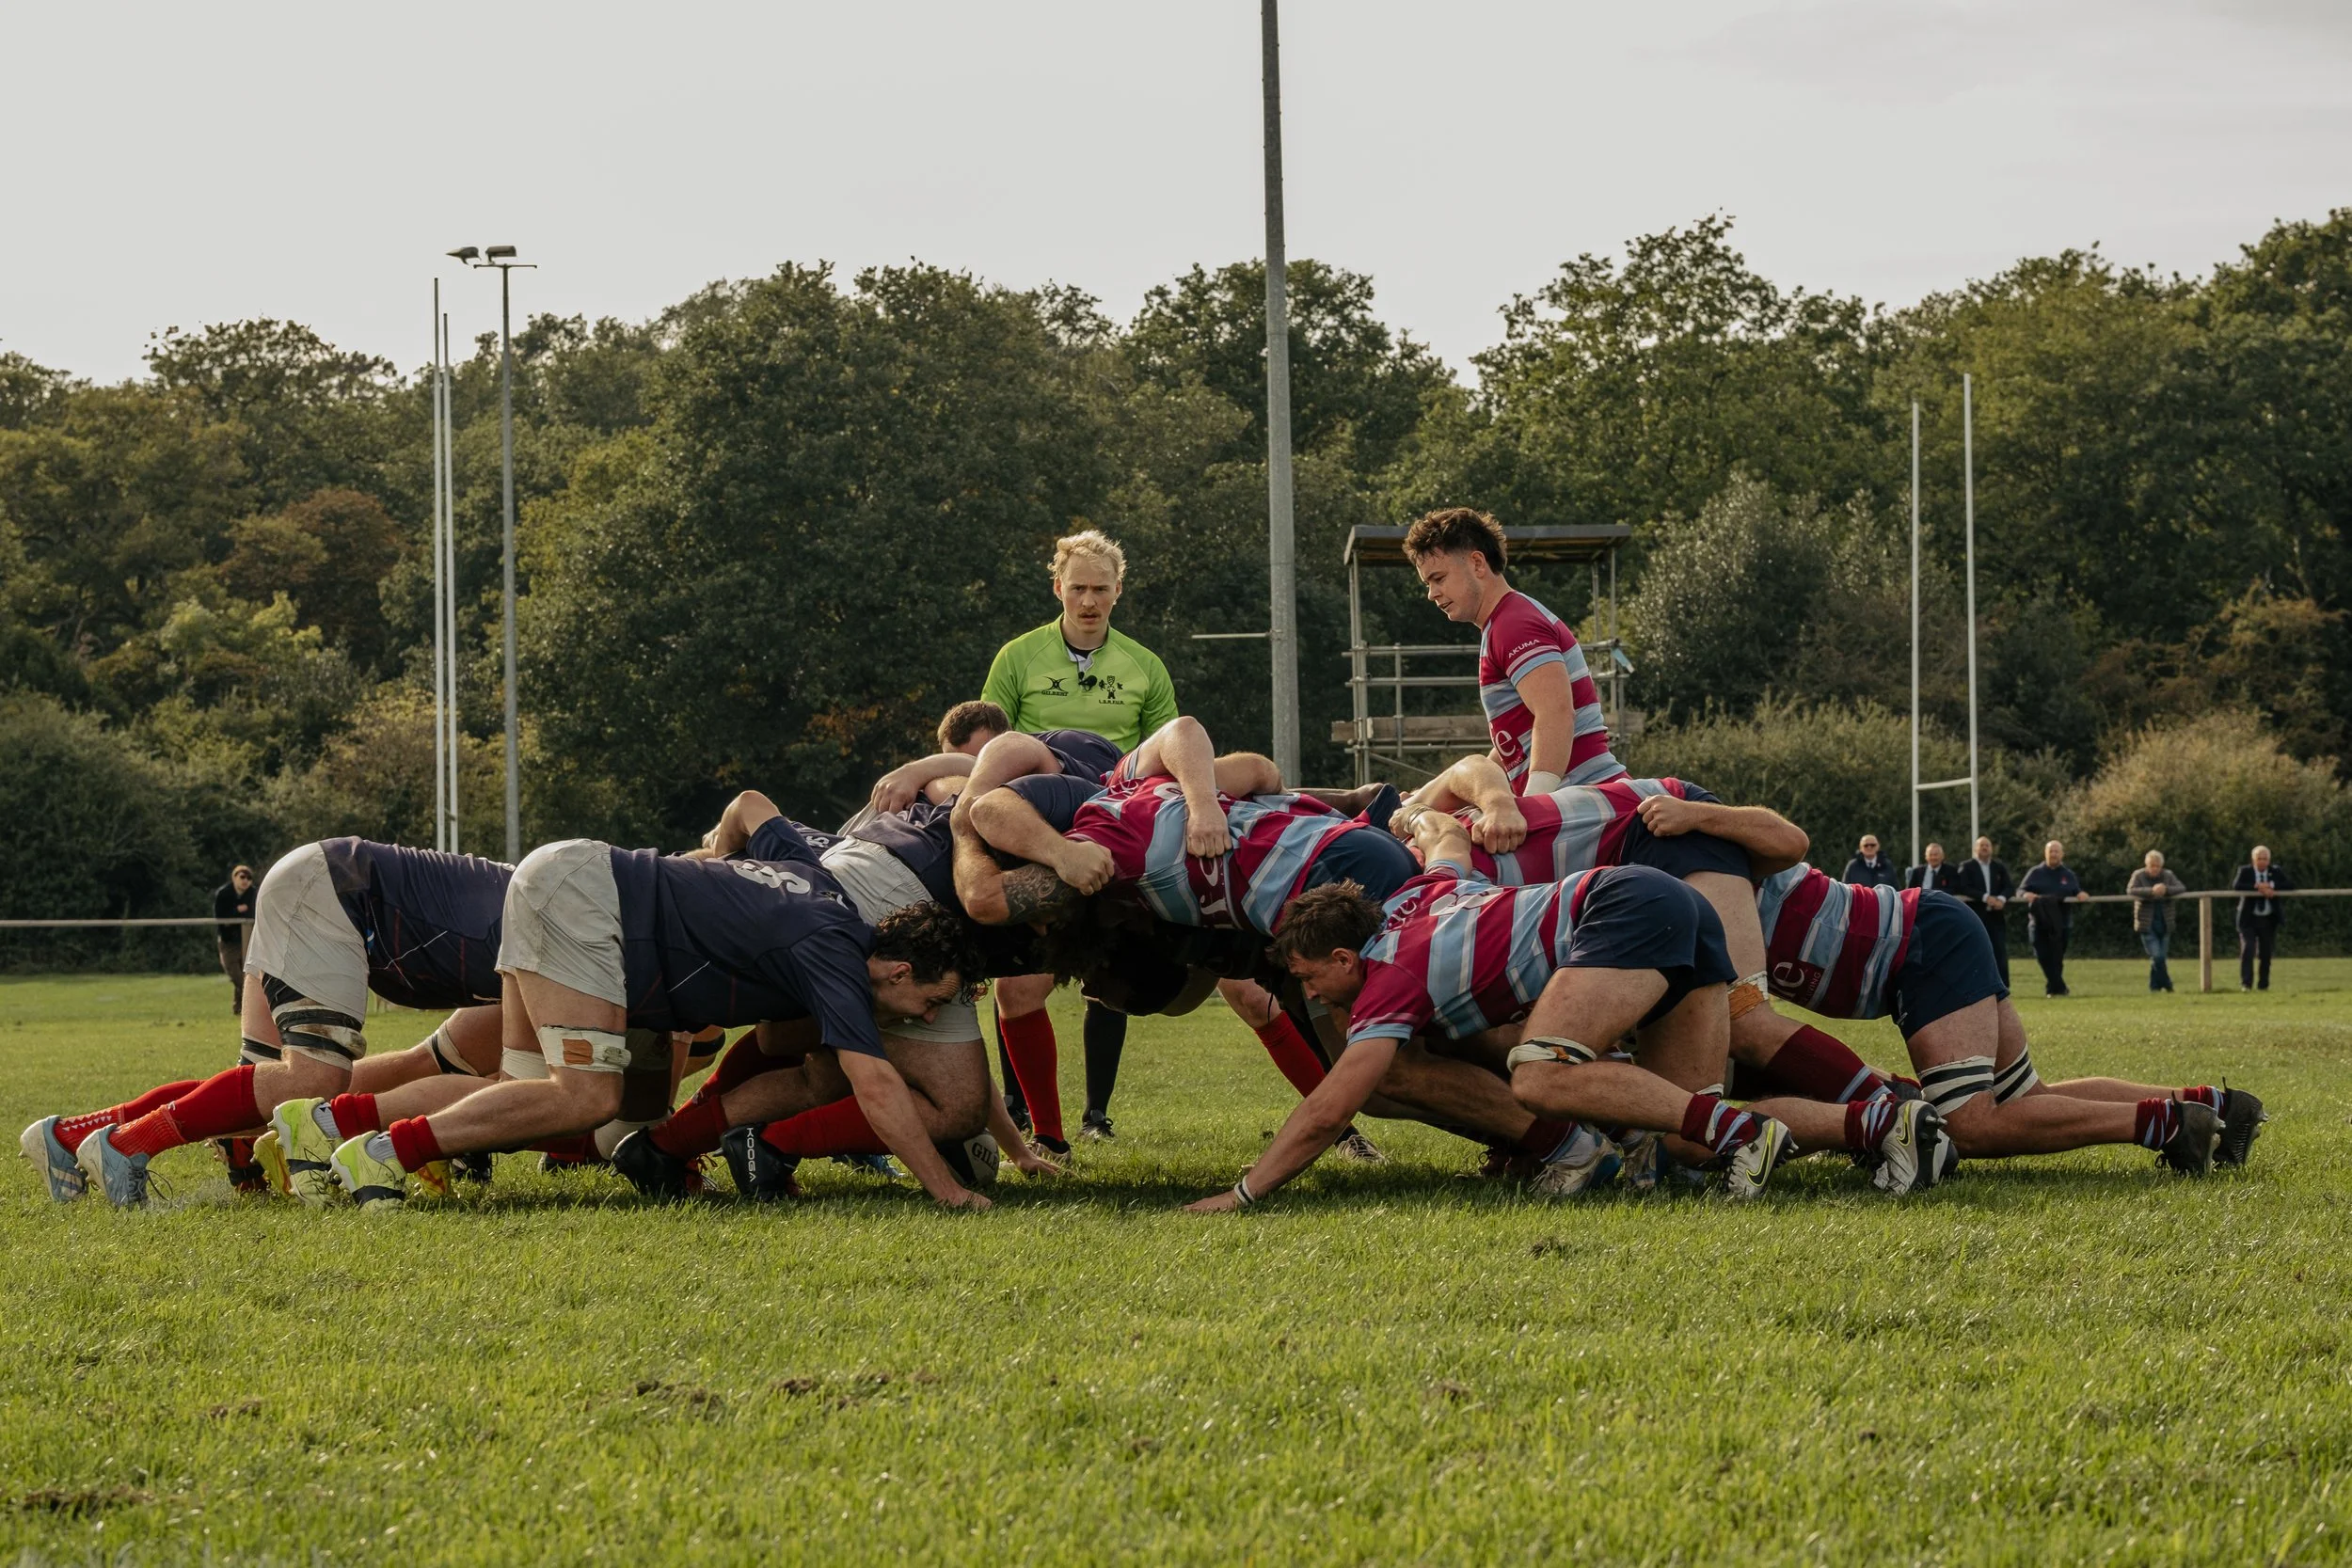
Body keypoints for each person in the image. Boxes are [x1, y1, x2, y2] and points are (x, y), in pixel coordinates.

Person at [1184, 814, 1945, 1211]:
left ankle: (1743, 1131)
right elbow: (1447, 839)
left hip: (1622, 904)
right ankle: (1883, 1124)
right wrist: (1417, 819)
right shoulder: (1420, 893)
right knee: (1684, 1132)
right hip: (1667, 907)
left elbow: (1329, 1111)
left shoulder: (1385, 982)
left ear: (1347, 958)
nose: (1312, 996)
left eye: (1314, 980)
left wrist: (1244, 1192)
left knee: (1540, 1075)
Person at [40, 838, 514, 1208]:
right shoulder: (560, 932)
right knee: (309, 1081)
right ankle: (126, 1145)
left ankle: (74, 1134)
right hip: (334, 894)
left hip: (322, 882)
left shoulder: (544, 908)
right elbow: (547, 1092)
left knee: (269, 1084)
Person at [977, 529, 1178, 1142]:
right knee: (1018, 971)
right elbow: (987, 743)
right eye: (1078, 587)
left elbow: (1168, 754)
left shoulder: (1145, 666)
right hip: (1034, 823)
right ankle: (1018, 1106)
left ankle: (1096, 1113)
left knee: (1107, 961)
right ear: (1057, 586)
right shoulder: (1018, 657)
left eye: (1101, 588)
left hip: (1115, 822)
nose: (1089, 600)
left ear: (1119, 590)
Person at [1401, 506, 1624, 795]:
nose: (1432, 594)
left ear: (1478, 564)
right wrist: (1428, 797)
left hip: (1586, 792)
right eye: (1427, 583)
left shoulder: (1513, 625)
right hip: (1580, 792)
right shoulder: (1503, 623)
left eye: (1439, 578)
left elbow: (1555, 712)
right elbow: (1511, 754)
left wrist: (1535, 804)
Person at [2018, 841, 2089, 996]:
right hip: (2038, 922)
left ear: (2062, 854)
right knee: (2042, 955)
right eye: (2051, 851)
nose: (2054, 854)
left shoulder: (2068, 874)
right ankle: (2060, 987)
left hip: (2061, 924)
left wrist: (2080, 894)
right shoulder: (2035, 872)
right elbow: (2020, 890)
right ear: (2045, 853)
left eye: (2057, 851)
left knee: (2057, 958)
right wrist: (2025, 894)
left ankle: (2054, 989)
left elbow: (2076, 890)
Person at [1953, 837, 2014, 986]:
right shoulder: (1967, 866)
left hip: (1996, 916)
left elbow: (2010, 887)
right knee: (1975, 950)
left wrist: (2001, 899)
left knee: (1999, 951)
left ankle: (2002, 986)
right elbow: (1963, 887)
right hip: (1975, 916)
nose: (1985, 848)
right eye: (1981, 845)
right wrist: (1985, 897)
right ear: (1975, 849)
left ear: (1991, 848)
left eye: (1987, 845)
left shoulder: (1998, 867)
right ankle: (1974, 984)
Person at [2233, 846, 2296, 991]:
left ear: (2269, 860)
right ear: (2253, 859)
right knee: (2248, 950)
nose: (2262, 862)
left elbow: (2290, 885)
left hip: (2268, 919)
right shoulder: (2245, 871)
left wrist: (2271, 885)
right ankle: (2246, 984)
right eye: (2259, 859)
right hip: (2248, 919)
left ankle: (2263, 985)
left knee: (2266, 953)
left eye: (2265, 859)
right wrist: (2258, 887)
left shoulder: (2276, 871)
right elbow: (2237, 886)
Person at [2128, 850, 2186, 993]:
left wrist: (2165, 890)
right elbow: (2131, 890)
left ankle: (2154, 987)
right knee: (2157, 956)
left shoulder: (2168, 875)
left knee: (2160, 958)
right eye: (2151, 865)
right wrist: (2151, 891)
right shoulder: (2138, 875)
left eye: (2157, 866)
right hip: (2147, 923)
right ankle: (2168, 985)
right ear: (2146, 865)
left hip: (2165, 923)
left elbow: (2181, 888)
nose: (2154, 869)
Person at [212, 864, 256, 1014]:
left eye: (249, 878)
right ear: (234, 877)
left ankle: (239, 1008)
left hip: (246, 940)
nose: (246, 881)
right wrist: (237, 911)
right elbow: (220, 917)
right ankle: (250, 1006)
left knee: (246, 974)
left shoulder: (252, 893)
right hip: (228, 941)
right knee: (235, 975)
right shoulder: (224, 893)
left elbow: (253, 914)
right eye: (242, 877)